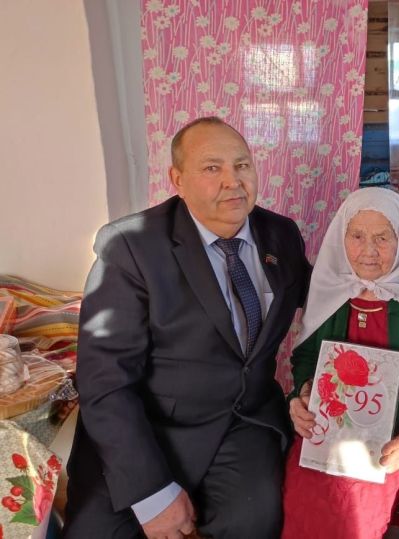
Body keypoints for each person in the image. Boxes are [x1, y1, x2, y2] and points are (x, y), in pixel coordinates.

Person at [63, 117, 311, 539]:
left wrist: (316, 382)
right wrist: (152, 494)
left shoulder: (280, 235)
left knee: (255, 521)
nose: (233, 181)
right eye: (212, 168)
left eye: (242, 165)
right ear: (177, 179)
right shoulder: (132, 246)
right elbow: (104, 381)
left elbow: (321, 305)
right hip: (149, 425)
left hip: (243, 421)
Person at [281, 187, 399, 539]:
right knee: (301, 495)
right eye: (357, 236)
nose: (368, 250)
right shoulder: (332, 292)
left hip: (396, 441)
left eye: (382, 237)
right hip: (329, 435)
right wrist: (302, 394)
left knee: (353, 510)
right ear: (341, 238)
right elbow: (306, 357)